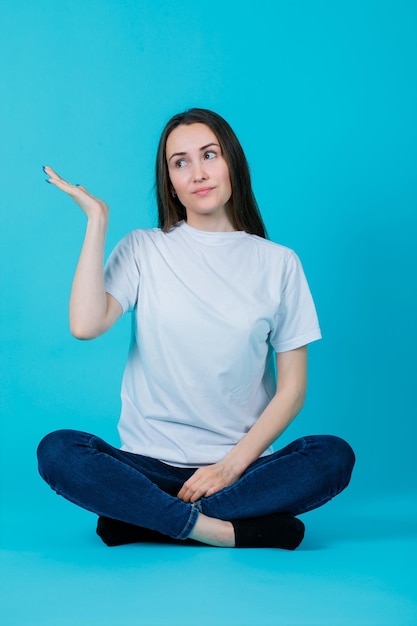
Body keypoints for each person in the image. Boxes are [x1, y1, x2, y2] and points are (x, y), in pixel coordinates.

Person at [37, 108, 355, 550]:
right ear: (169, 182)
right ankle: (217, 530)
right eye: (180, 162)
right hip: (148, 466)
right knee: (58, 450)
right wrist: (97, 221)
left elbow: (293, 390)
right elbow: (85, 325)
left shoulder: (279, 263)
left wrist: (228, 468)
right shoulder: (144, 249)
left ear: (232, 165)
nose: (198, 173)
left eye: (209, 155)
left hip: (241, 471)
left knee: (332, 455)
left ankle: (140, 516)